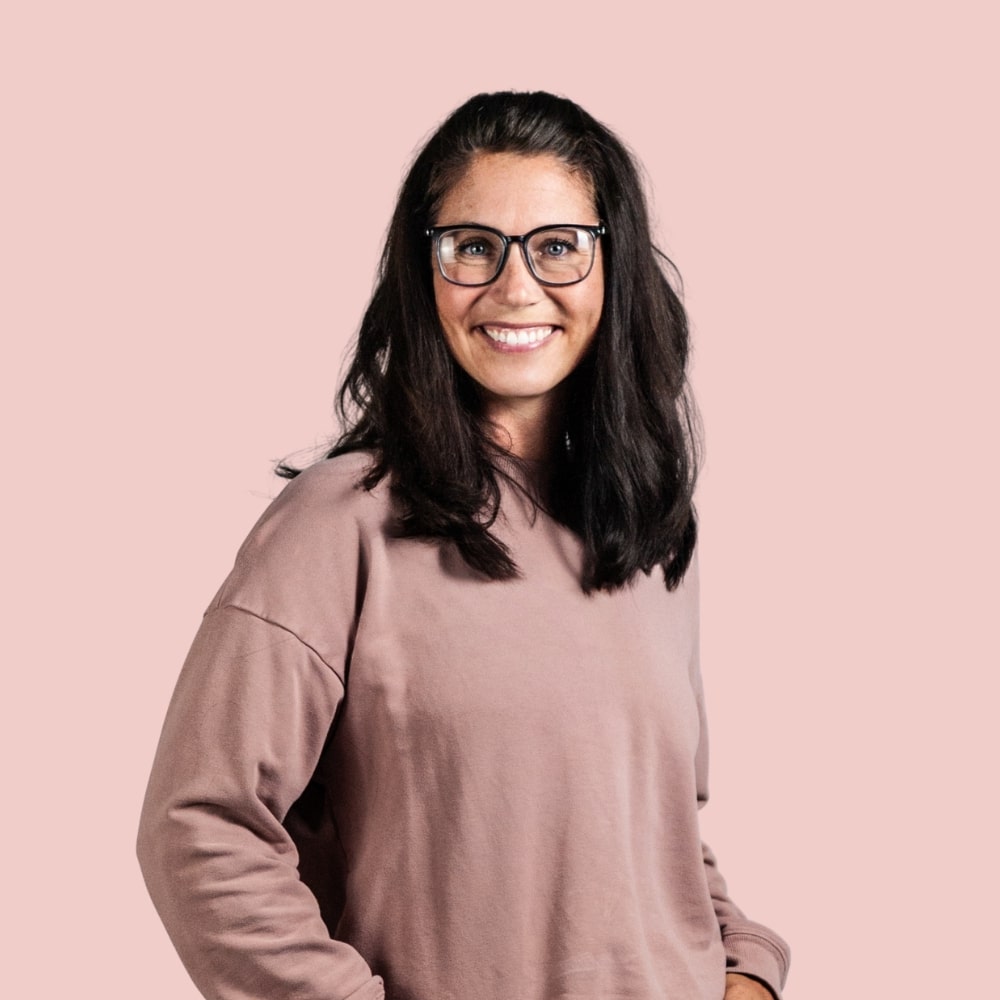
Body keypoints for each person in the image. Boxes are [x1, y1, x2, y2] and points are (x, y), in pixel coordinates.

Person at [137, 90, 790, 1000]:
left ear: (616, 269)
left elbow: (651, 828)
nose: (516, 287)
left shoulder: (640, 533)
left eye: (558, 246)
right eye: (473, 247)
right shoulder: (339, 526)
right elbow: (199, 824)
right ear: (425, 270)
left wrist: (744, 969)